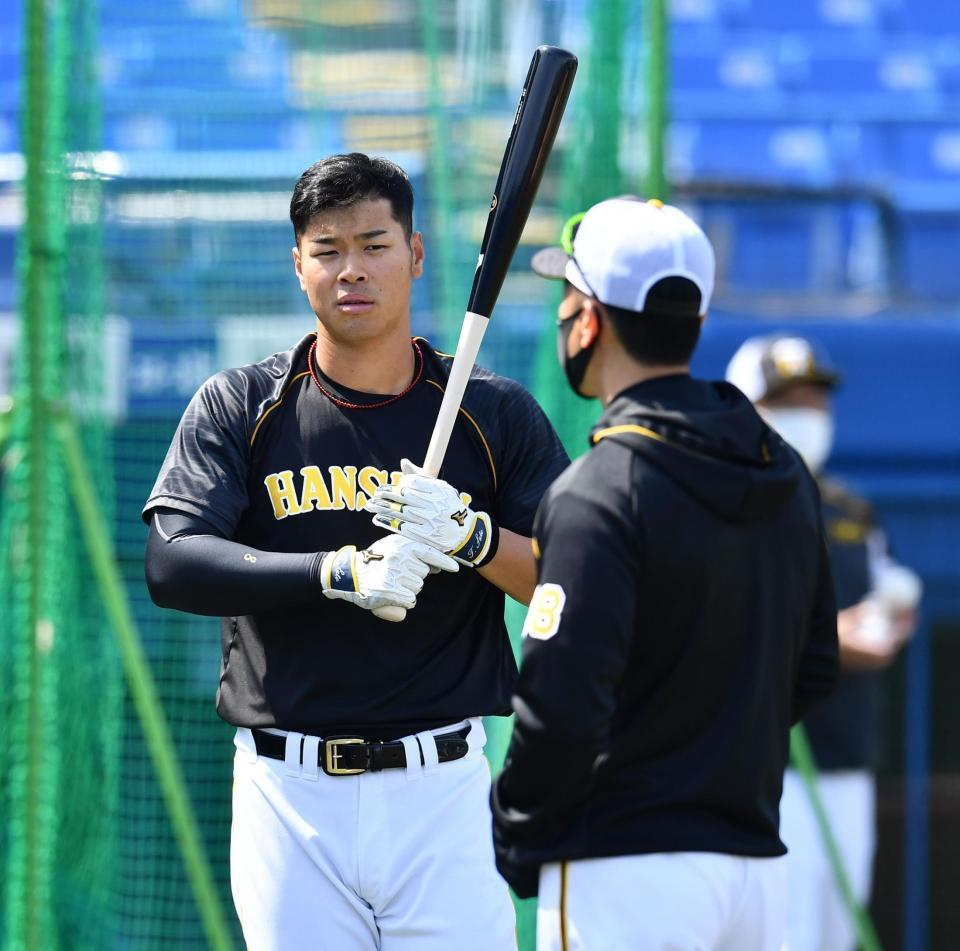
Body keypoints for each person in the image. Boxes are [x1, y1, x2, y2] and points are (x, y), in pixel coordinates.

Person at [142, 152, 569, 950]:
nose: (352, 270)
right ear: (297, 265)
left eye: (374, 245)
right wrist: (333, 572)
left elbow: (569, 579)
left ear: (414, 254)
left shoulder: (491, 411)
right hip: (287, 789)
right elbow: (172, 562)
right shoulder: (243, 405)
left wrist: (471, 537)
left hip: (441, 788)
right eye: (328, 249)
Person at [489, 196, 840, 951]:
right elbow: (812, 670)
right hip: (751, 863)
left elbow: (560, 703)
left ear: (589, 319)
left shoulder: (598, 487)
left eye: (567, 297)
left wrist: (513, 830)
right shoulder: (784, 469)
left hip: (623, 861)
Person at [726, 333, 921, 951]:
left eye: (815, 398)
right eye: (787, 399)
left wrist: (888, 622)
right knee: (783, 932)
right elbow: (724, 620)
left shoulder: (851, 508)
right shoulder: (727, 503)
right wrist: (831, 638)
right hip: (763, 765)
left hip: (848, 757)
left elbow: (891, 592)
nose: (805, 412)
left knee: (837, 927)